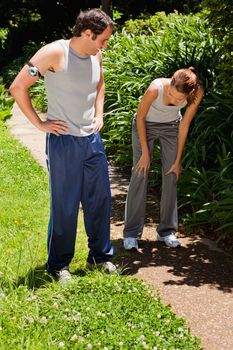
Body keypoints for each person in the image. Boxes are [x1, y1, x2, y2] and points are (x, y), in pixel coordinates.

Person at [10, 8, 116, 283]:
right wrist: (40, 124)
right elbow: (18, 87)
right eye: (102, 39)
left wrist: (99, 112)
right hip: (63, 142)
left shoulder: (96, 55)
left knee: (100, 200)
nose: (105, 45)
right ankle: (58, 266)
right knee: (65, 205)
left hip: (91, 139)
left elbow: (100, 83)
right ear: (88, 33)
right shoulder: (53, 53)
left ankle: (100, 257)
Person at [123, 67, 204, 250]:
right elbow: (141, 117)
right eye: (172, 95)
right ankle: (131, 234)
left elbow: (184, 126)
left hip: (171, 127)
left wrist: (178, 160)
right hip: (145, 125)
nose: (174, 101)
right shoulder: (155, 88)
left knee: (172, 174)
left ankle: (166, 231)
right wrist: (145, 153)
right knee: (140, 173)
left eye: (179, 100)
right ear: (171, 83)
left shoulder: (197, 93)